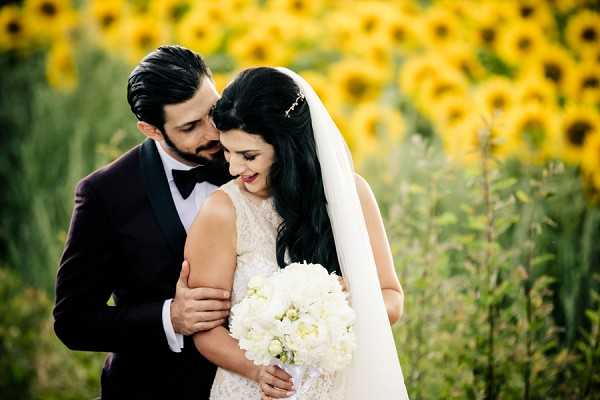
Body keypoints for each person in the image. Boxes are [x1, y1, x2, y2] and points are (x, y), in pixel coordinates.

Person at [185, 67, 410, 399]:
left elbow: (391, 298)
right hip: (254, 390)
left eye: (249, 156)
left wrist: (337, 307)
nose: (233, 168)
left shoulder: (351, 195)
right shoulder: (222, 211)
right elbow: (205, 330)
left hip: (339, 389)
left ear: (287, 146)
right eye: (227, 152)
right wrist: (256, 369)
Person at [53, 45, 233, 399]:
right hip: (153, 388)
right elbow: (72, 321)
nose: (213, 132)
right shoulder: (104, 194)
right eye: (190, 127)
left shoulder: (250, 156)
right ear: (150, 130)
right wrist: (170, 318)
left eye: (213, 110)